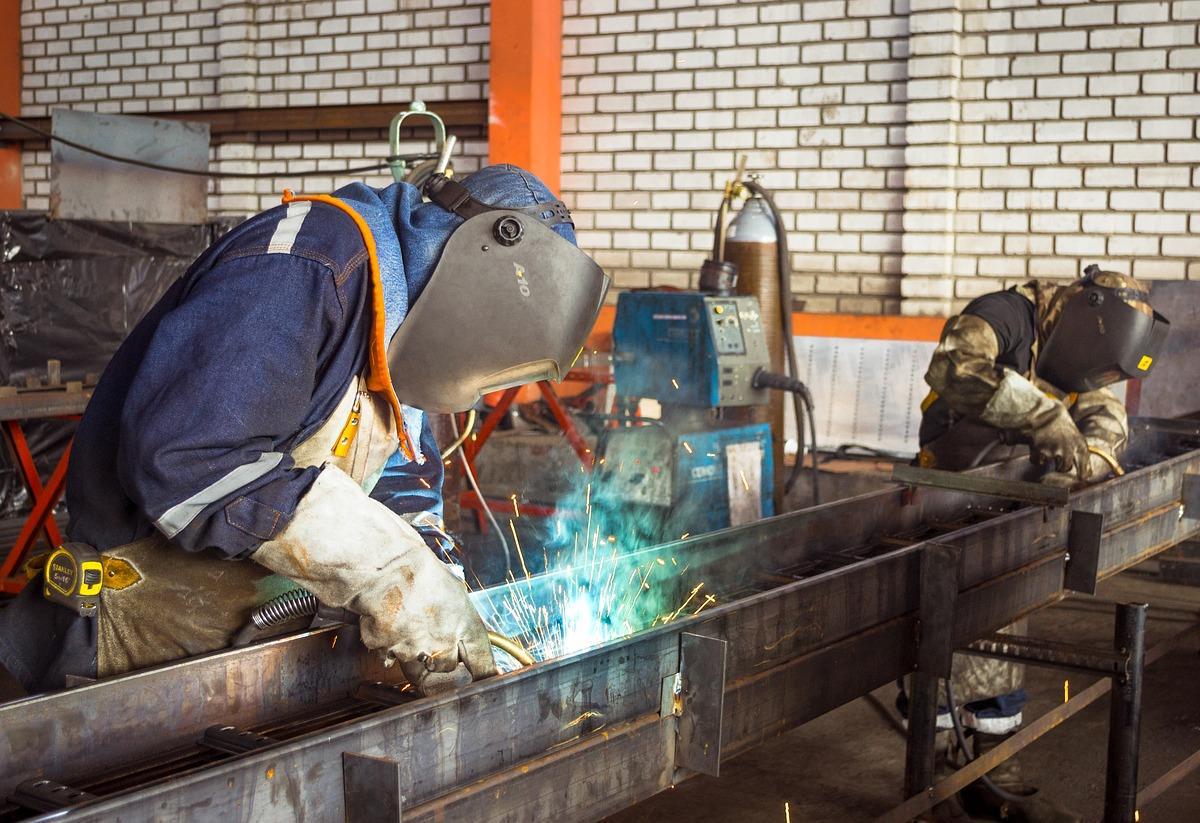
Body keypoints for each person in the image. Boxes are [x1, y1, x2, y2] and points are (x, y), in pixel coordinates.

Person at [0, 164, 609, 698]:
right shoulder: (307, 265)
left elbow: (402, 478)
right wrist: (385, 568)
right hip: (132, 644)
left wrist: (433, 574)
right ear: (483, 260)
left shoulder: (400, 330)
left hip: (253, 651)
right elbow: (186, 460)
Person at [912, 266, 1168, 822]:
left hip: (1012, 503)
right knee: (942, 639)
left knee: (1006, 620)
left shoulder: (1084, 353)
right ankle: (929, 778)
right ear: (1084, 315)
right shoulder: (1004, 315)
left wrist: (1089, 457)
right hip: (945, 497)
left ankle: (995, 773)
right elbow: (952, 366)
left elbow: (1105, 414)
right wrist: (1043, 414)